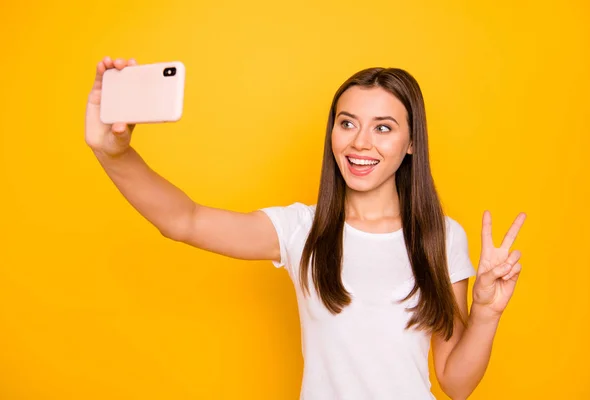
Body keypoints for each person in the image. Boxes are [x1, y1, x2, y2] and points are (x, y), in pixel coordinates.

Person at [85, 57, 526, 400]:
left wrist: (487, 312)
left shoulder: (442, 238)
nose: (360, 143)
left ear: (412, 143)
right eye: (347, 123)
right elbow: (185, 220)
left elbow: (456, 384)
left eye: (383, 128)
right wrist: (114, 153)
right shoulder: (302, 229)